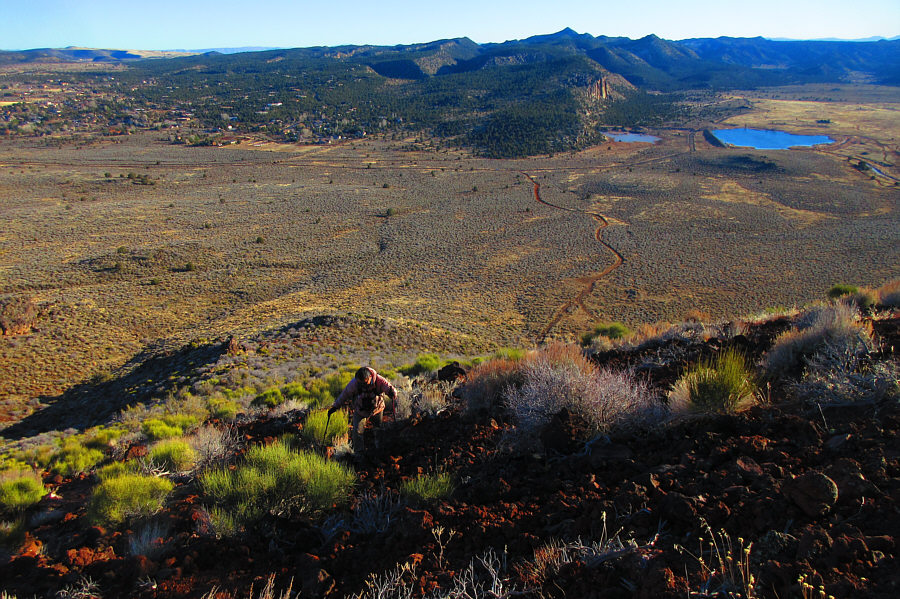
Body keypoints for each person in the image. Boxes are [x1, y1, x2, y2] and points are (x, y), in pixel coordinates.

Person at [328, 366, 397, 455]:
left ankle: (379, 450)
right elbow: (344, 395)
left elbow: (389, 388)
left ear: (370, 378)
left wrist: (392, 393)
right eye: (361, 383)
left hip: (377, 409)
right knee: (357, 432)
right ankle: (359, 454)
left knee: (378, 429)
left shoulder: (379, 381)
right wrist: (335, 407)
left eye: (365, 383)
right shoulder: (354, 383)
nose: (363, 385)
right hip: (360, 411)